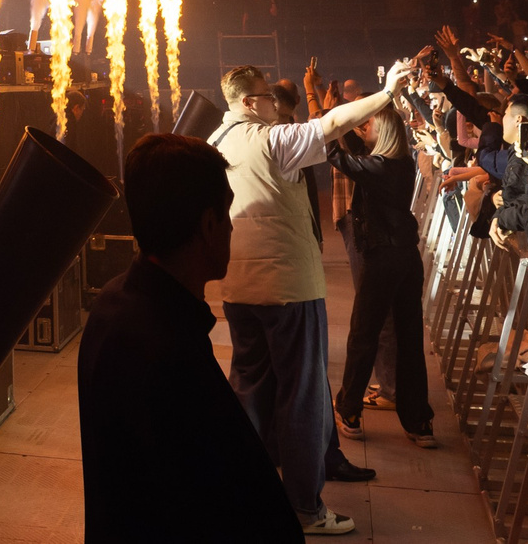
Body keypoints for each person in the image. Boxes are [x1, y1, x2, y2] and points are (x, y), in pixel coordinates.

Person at [210, 60, 412, 536]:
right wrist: (385, 93)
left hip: (239, 289)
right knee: (302, 398)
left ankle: (244, 492)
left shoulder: (216, 142)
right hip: (288, 290)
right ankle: (304, 507)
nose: (270, 105)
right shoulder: (270, 140)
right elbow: (331, 124)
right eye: (263, 96)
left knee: (251, 391)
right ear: (246, 102)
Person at [78, 134, 305, 544]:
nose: (233, 226)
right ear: (207, 225)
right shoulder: (165, 347)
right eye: (228, 212)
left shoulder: (116, 302)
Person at [328, 97, 434, 447]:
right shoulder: (397, 163)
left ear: (383, 131)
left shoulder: (380, 168)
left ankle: (351, 411)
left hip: (382, 259)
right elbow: (355, 149)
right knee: (408, 338)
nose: (363, 128)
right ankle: (418, 422)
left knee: (364, 334)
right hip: (406, 259)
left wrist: (324, 122)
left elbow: (339, 156)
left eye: (368, 124)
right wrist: (339, 113)